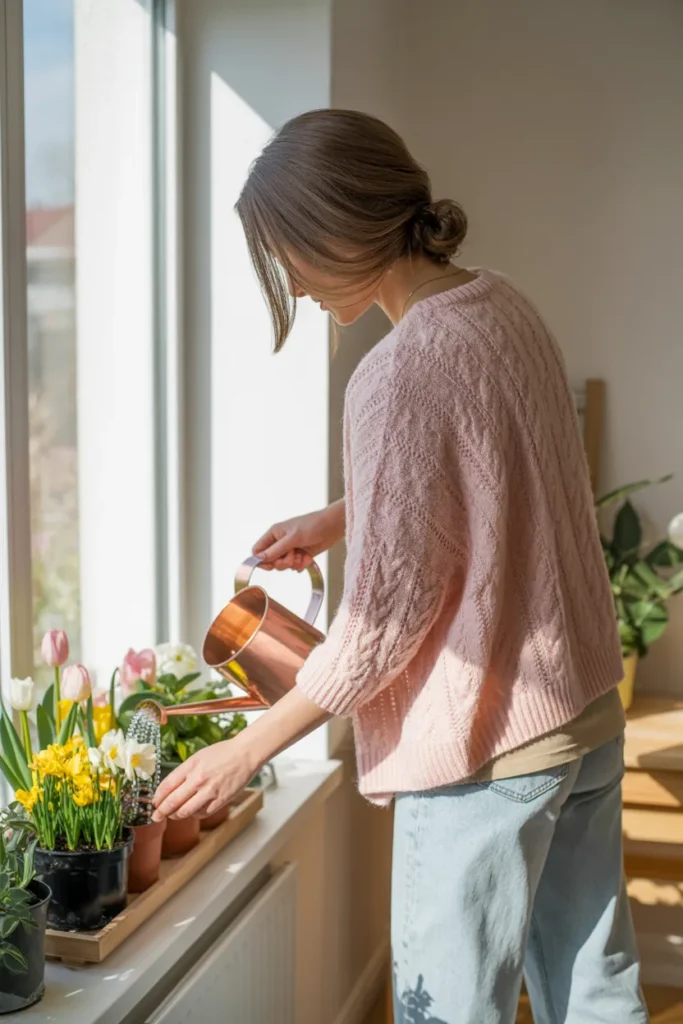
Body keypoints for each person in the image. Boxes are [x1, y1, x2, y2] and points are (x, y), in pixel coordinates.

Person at [153, 109, 647, 1024]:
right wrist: (346, 516)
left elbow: (377, 632)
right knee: (596, 995)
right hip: (580, 714)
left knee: (446, 1012)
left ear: (340, 230)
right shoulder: (500, 302)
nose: (294, 288)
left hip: (484, 750)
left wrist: (245, 748)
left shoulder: (393, 375)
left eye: (291, 257)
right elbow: (506, 465)